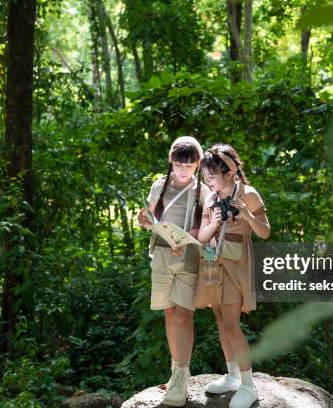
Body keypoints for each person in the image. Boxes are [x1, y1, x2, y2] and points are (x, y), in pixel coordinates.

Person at [194, 143, 270, 408]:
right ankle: (233, 375)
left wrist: (247, 214)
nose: (208, 180)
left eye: (212, 175)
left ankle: (250, 385)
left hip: (237, 262)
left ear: (230, 172)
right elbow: (202, 236)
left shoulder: (248, 193)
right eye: (205, 176)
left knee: (231, 323)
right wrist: (214, 222)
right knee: (220, 320)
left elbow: (264, 232)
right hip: (214, 263)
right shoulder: (211, 198)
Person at [137, 136, 210, 406]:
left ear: (197, 164)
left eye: (188, 166)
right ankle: (175, 369)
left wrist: (184, 236)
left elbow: (206, 225)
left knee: (184, 313)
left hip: (188, 255)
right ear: (171, 161)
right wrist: (144, 220)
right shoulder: (161, 184)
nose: (182, 170)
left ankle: (182, 375)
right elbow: (149, 217)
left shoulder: (202, 190)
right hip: (162, 254)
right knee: (169, 312)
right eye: (178, 164)